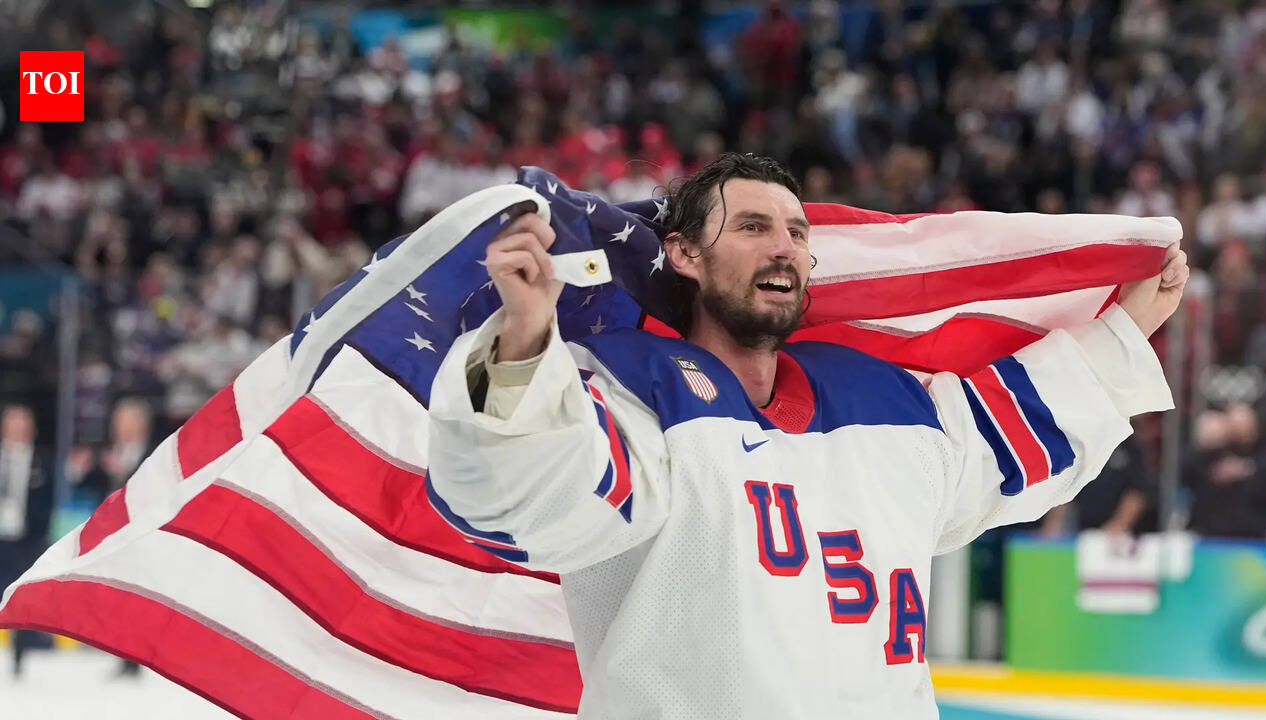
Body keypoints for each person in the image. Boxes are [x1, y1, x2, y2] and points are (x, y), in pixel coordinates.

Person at [427, 153, 1188, 718]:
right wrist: (522, 348)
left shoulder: (883, 400)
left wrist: (1128, 328)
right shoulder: (630, 391)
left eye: (796, 231)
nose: (784, 246)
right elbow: (542, 489)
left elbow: (1008, 434)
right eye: (753, 227)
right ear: (685, 255)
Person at [0, 404, 53, 679]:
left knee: (19, 598)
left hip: (26, 540)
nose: (17, 428)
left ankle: (19, 656)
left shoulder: (42, 461)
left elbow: (49, 499)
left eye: (22, 422)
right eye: (13, 422)